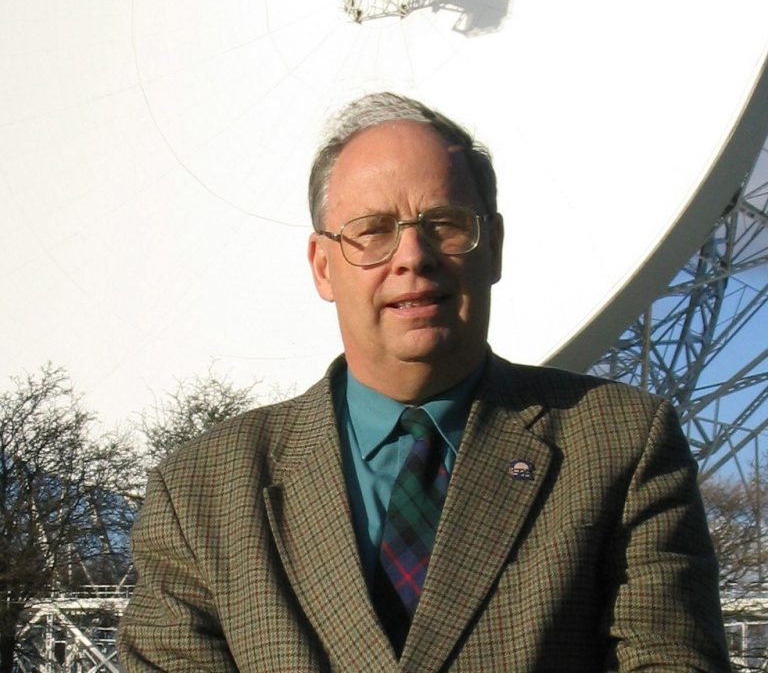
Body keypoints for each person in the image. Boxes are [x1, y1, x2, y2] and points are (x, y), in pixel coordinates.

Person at [118, 93, 730, 671]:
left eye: (444, 222)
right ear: (322, 266)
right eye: (372, 230)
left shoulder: (620, 446)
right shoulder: (200, 493)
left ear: (493, 248)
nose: (412, 255)